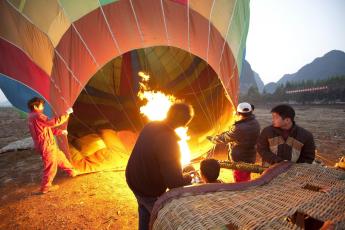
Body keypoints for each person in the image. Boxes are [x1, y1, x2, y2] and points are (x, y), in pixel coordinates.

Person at [125, 102, 194, 230]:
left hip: (134, 178)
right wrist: (188, 178)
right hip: (147, 188)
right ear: (184, 123)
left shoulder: (151, 125)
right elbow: (174, 183)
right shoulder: (168, 141)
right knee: (163, 219)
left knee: (144, 209)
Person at [27, 97, 79, 194]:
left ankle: (72, 171)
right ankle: (45, 187)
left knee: (60, 157)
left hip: (45, 144)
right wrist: (66, 114)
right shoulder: (37, 115)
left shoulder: (30, 117)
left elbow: (45, 129)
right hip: (46, 145)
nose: (42, 107)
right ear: (35, 106)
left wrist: (61, 132)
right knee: (50, 165)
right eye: (41, 105)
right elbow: (52, 123)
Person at [207, 102, 260, 182]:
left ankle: (242, 193)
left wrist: (213, 139)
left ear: (238, 113)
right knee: (246, 176)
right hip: (250, 156)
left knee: (240, 180)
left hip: (239, 158)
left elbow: (225, 137)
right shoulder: (256, 123)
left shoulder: (239, 128)